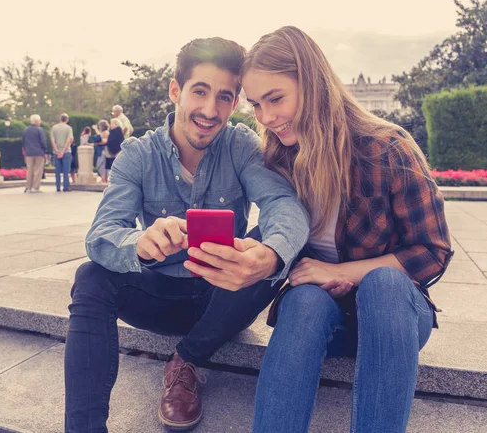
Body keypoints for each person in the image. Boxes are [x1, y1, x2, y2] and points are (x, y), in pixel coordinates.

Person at [64, 36, 310, 432]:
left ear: (235, 102)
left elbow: (284, 205)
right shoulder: (137, 154)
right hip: (157, 294)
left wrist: (268, 256)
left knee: (280, 241)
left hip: (226, 294)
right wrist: (139, 245)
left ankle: (186, 360)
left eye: (225, 98)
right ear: (175, 90)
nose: (211, 111)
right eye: (200, 91)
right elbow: (102, 234)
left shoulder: (243, 146)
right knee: (90, 276)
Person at [241, 26, 453, 433]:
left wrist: (341, 273)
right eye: (255, 105)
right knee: (303, 300)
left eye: (276, 99)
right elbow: (281, 239)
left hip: (393, 320)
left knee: (385, 285)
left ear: (313, 83)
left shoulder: (387, 148)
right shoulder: (277, 157)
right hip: (320, 318)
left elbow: (432, 251)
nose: (266, 118)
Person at [22, 114, 47, 193]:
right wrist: (45, 151)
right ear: (36, 121)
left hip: (29, 153)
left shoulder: (25, 130)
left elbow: (23, 142)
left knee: (30, 170)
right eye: (39, 121)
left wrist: (25, 151)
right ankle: (35, 187)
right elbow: (43, 142)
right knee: (38, 170)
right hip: (39, 153)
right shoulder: (39, 130)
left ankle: (28, 187)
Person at [50, 113, 74, 192]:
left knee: (57, 171)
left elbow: (52, 140)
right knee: (66, 171)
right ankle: (65, 187)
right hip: (66, 152)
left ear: (60, 119)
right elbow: (69, 140)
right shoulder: (68, 128)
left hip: (56, 152)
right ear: (67, 120)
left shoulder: (54, 128)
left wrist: (57, 151)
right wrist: (63, 151)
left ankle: (57, 187)